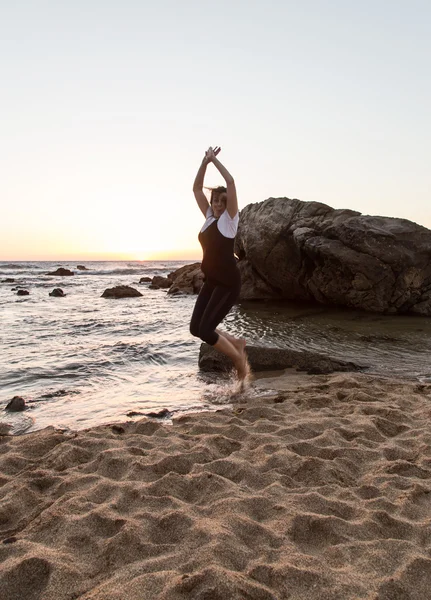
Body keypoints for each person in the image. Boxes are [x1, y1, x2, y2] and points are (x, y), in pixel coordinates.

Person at [190, 146, 249, 383]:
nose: (217, 204)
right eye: (215, 200)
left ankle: (238, 359)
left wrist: (214, 161)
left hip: (227, 283)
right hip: (212, 282)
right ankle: (236, 343)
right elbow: (196, 188)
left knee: (206, 331)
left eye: (222, 202)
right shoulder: (208, 219)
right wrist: (204, 163)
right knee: (196, 328)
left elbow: (231, 182)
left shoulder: (229, 221)